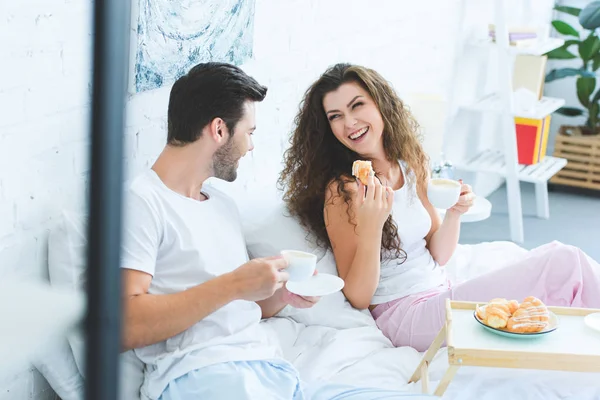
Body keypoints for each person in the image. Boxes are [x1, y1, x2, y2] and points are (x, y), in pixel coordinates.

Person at [120, 62, 434, 400]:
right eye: (249, 132)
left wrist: (280, 295)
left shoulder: (221, 206)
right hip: (204, 373)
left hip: (267, 363)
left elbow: (235, 308)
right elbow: (126, 323)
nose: (251, 147)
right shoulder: (142, 202)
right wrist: (234, 284)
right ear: (219, 130)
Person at [278, 62, 600, 352]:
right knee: (563, 262)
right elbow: (359, 297)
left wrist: (454, 214)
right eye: (335, 116)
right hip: (404, 314)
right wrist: (372, 226)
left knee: (558, 289)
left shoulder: (409, 163)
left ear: (381, 104)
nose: (349, 123)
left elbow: (438, 254)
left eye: (357, 105)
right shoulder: (344, 190)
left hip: (442, 289)